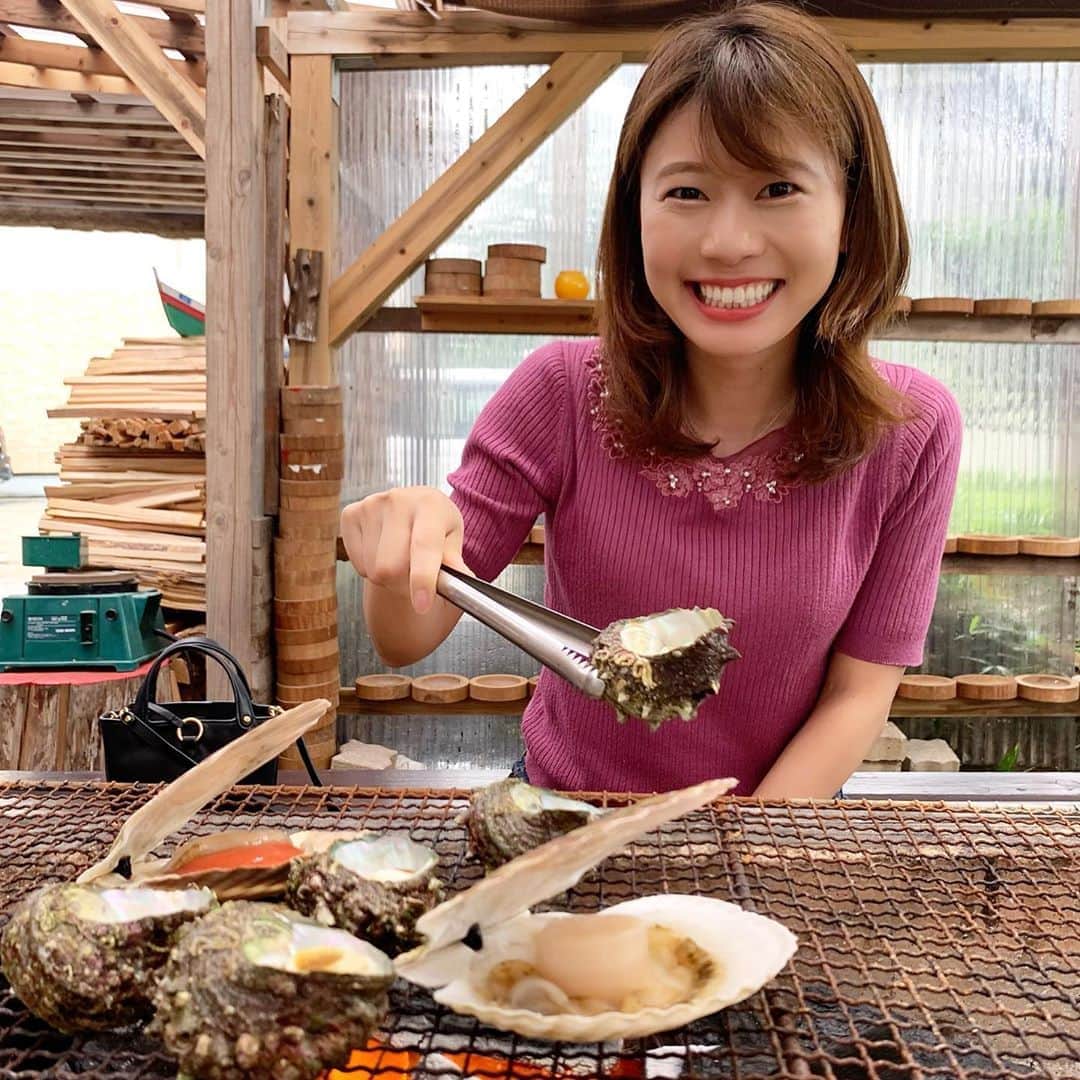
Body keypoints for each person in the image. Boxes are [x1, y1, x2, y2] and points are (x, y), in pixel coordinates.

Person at [340, 2, 962, 798]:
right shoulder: (559, 391)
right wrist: (403, 548)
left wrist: (739, 869)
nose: (728, 242)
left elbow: (859, 692)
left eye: (778, 187)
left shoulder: (912, 429)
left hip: (771, 833)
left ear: (849, 214)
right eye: (687, 192)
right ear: (635, 212)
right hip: (566, 815)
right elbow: (406, 639)